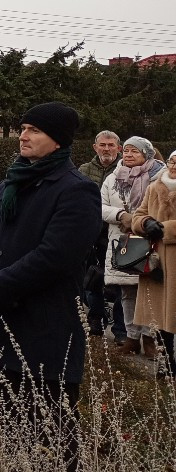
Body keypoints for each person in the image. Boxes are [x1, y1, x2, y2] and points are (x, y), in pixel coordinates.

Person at [0, 102, 100, 472]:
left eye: (34, 130)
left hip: (47, 328)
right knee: (14, 435)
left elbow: (55, 257)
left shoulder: (77, 191)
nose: (24, 136)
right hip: (3, 321)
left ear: (57, 140)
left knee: (53, 434)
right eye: (24, 128)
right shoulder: (11, 183)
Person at [102, 136, 164, 356]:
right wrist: (122, 215)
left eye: (134, 151)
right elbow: (101, 206)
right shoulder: (113, 178)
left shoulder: (160, 177)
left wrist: (144, 221)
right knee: (127, 293)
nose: (128, 155)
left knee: (150, 292)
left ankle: (150, 337)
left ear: (146, 154)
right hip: (123, 242)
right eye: (126, 151)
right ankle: (131, 337)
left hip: (151, 241)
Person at [130, 150, 176, 378]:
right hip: (157, 260)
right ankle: (165, 361)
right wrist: (145, 222)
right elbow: (138, 214)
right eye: (171, 161)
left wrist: (166, 229)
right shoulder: (154, 186)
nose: (174, 165)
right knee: (160, 314)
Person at [79, 130, 123, 340]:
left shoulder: (126, 171)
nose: (107, 149)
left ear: (118, 148)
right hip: (89, 230)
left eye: (111, 145)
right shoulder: (84, 170)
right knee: (91, 276)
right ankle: (96, 316)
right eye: (103, 145)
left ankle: (121, 327)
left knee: (120, 280)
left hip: (116, 232)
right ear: (95, 147)